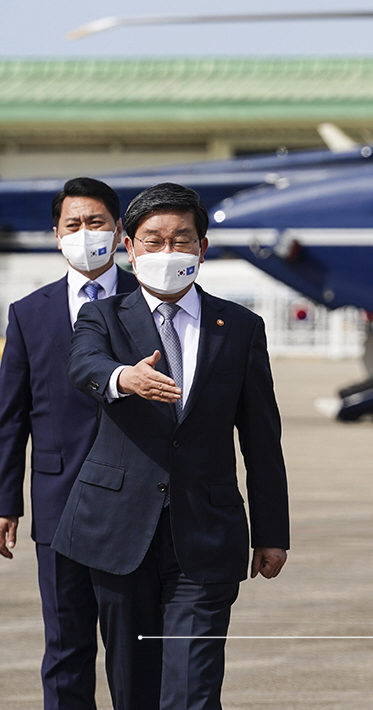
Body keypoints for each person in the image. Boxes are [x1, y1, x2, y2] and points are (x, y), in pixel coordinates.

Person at [54, 182, 290, 710]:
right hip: (118, 532)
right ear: (129, 248)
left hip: (205, 533)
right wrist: (122, 378)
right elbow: (83, 364)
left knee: (193, 690)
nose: (168, 253)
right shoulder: (103, 316)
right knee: (134, 687)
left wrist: (272, 531)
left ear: (202, 248)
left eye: (181, 240)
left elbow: (261, 438)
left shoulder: (241, 327)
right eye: (153, 241)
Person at [0, 177, 140, 710]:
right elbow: (10, 417)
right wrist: (4, 501)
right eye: (73, 225)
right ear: (56, 235)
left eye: (97, 223)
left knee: (131, 654)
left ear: (120, 231)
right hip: (59, 508)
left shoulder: (153, 302)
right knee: (65, 650)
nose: (86, 234)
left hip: (136, 507)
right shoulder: (29, 313)